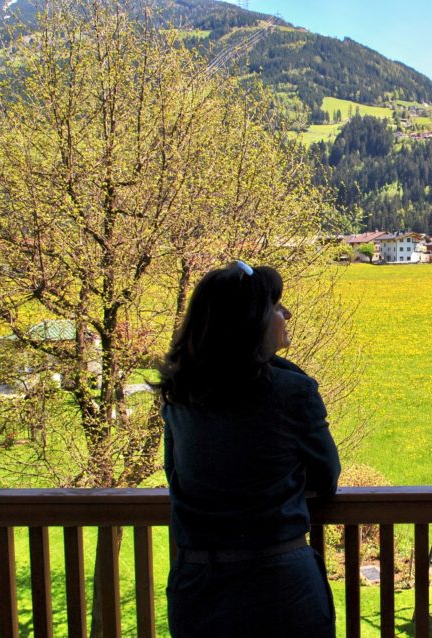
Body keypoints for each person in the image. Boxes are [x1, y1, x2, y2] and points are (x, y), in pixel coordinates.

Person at [158, 261, 341, 637]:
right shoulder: (293, 392)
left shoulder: (181, 393)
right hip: (281, 590)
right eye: (276, 306)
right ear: (251, 321)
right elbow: (326, 477)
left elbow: (176, 474)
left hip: (199, 588)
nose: (286, 313)